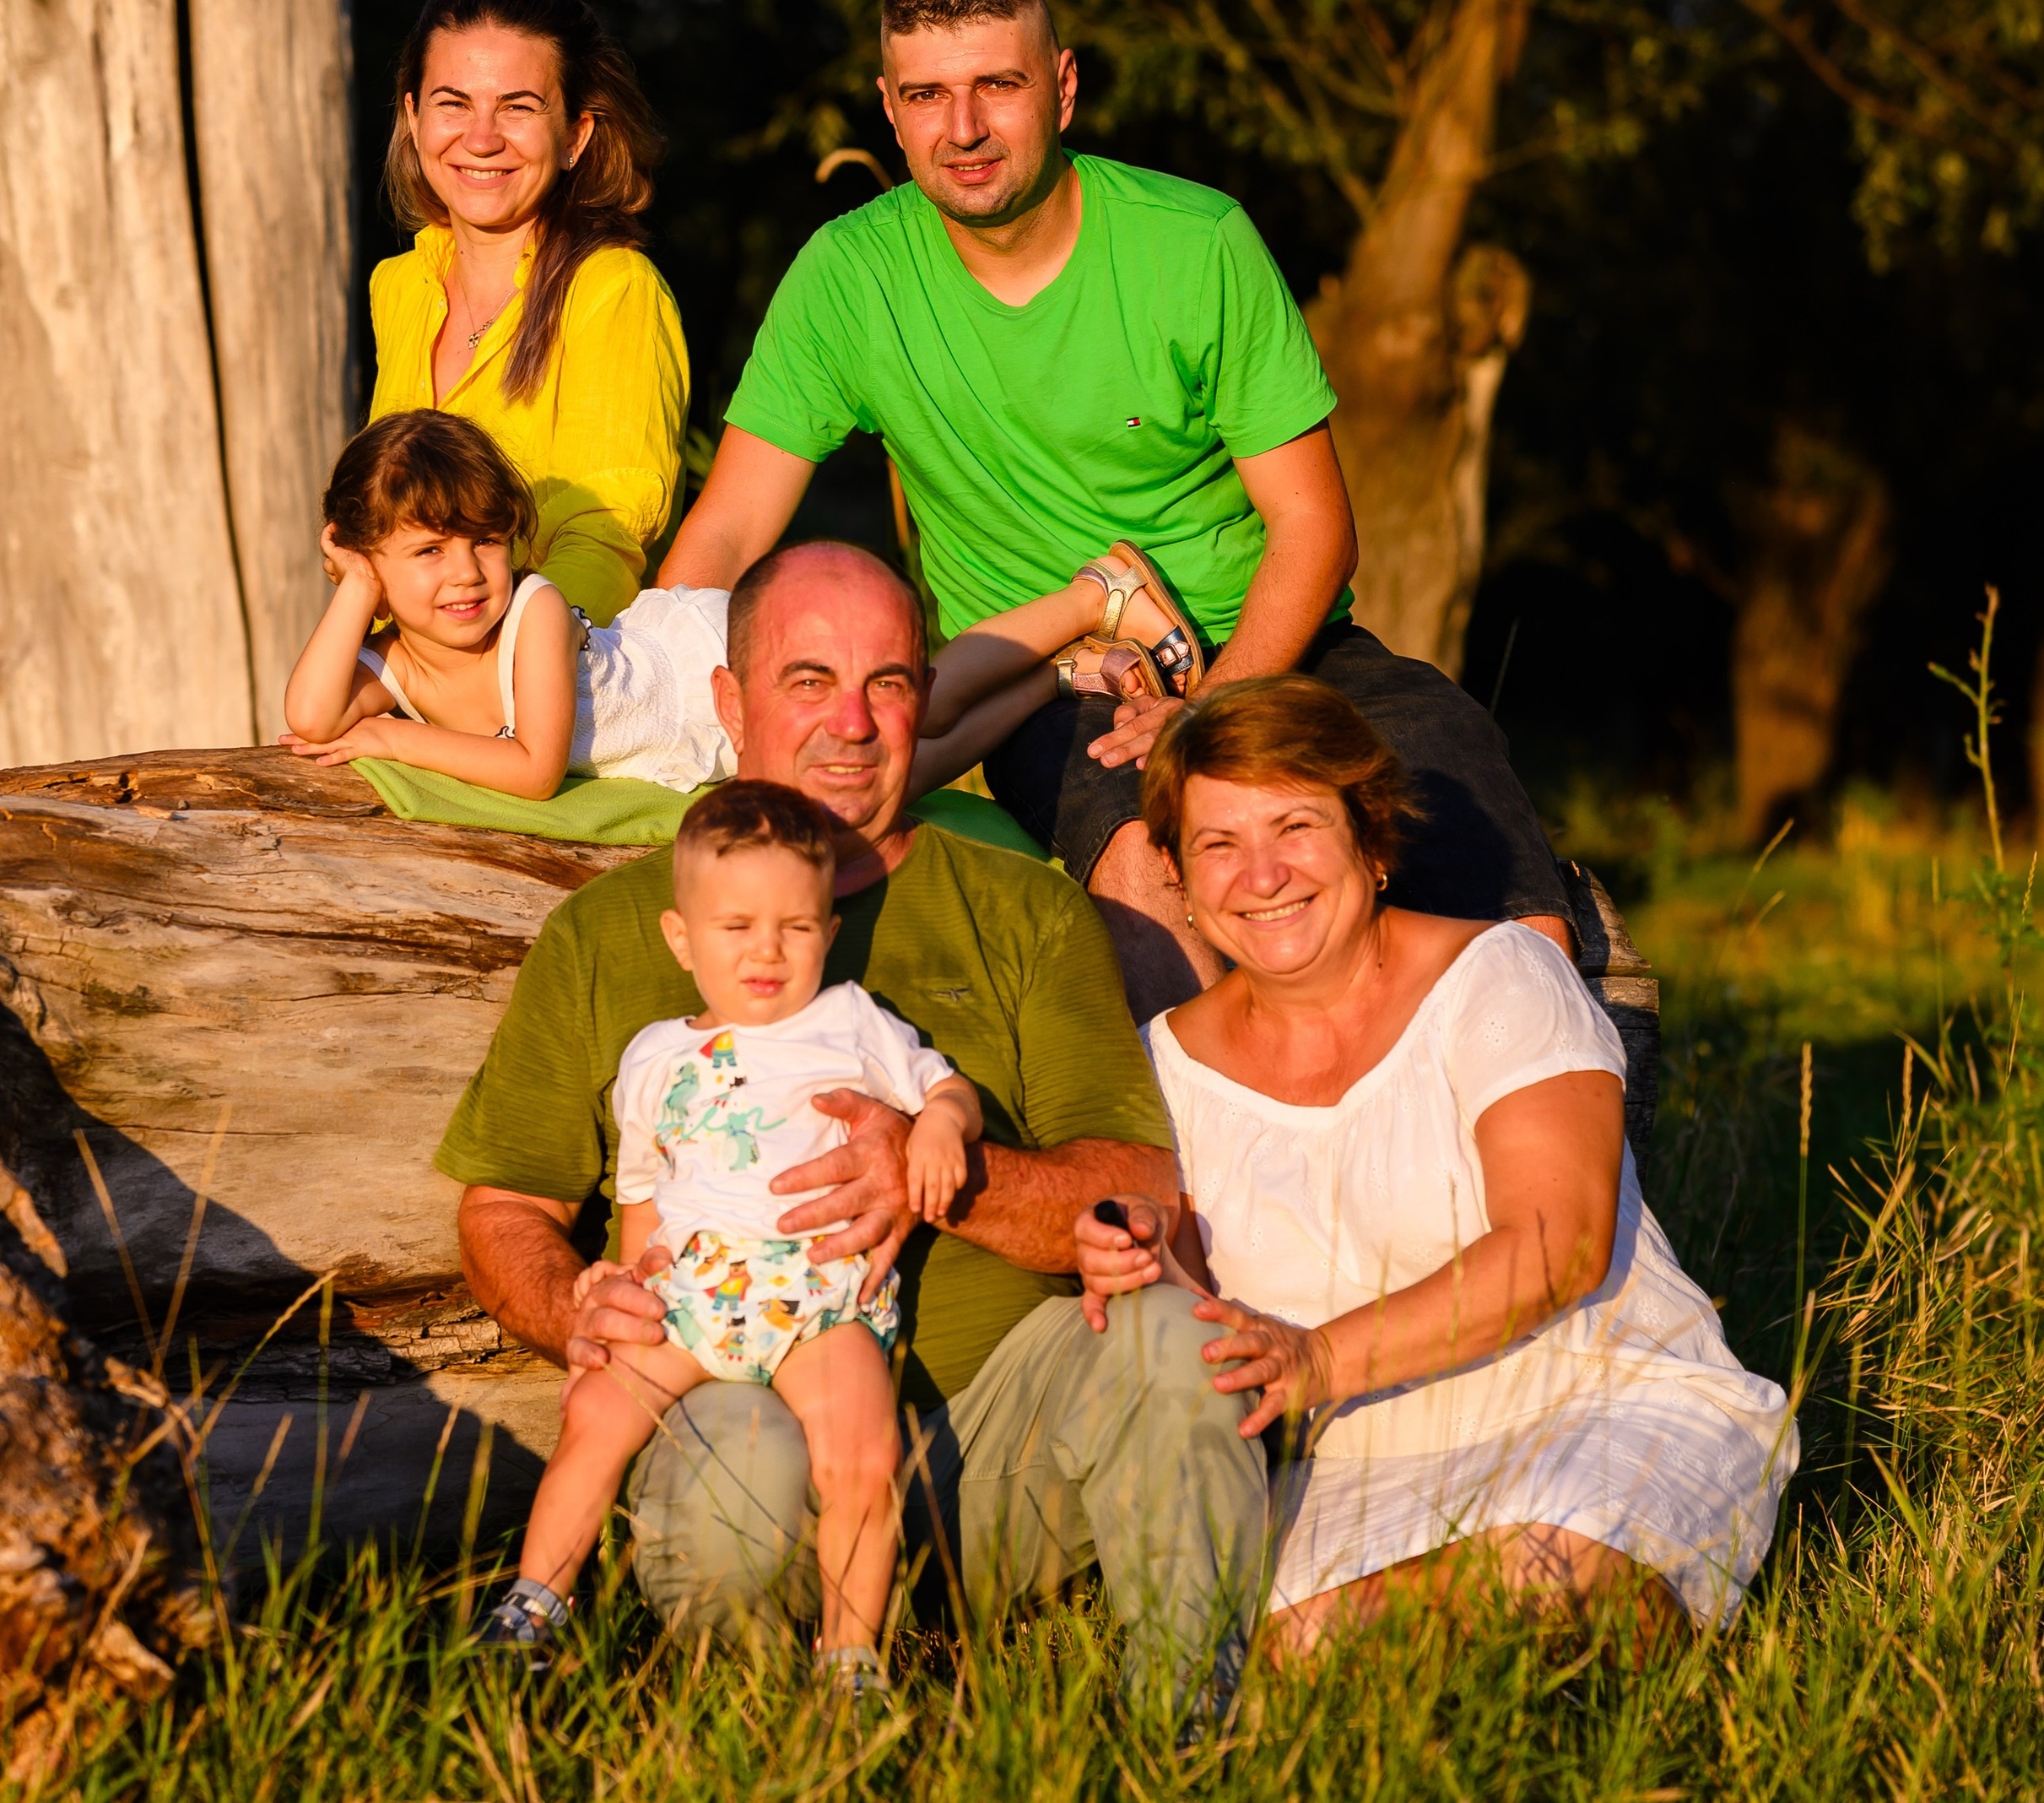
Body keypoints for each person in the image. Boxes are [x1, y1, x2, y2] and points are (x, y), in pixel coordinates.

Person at [659, 0, 1574, 1015]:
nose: (962, 129)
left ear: (1063, 85)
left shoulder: (1196, 243)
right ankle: (1195, 1158)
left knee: (1465, 799)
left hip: (1279, 645)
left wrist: (1217, 704)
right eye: (927, 95)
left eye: (997, 86)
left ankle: (1544, 1123)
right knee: (1148, 854)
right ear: (889, 109)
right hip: (1053, 679)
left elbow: (1315, 529)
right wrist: (656, 704)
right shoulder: (848, 277)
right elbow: (725, 535)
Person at [438, 538, 1265, 1709]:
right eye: (807, 680)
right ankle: (770, 1789)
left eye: (887, 682)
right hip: (746, 1401)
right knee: (742, 1469)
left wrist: (945, 1176)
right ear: (730, 704)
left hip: (1001, 1444)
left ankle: (1191, 1738)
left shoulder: (1022, 911)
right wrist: (566, 1301)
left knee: (1183, 1342)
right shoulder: (618, 930)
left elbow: (1138, 1180)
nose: (854, 723)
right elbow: (506, 1207)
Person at [1073, 678, 1797, 1656]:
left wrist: (1319, 1357)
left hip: (1582, 1400)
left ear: (1372, 842)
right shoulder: (1164, 1062)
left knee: (1556, 1574)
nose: (1262, 874)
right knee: (1272, 1652)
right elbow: (1198, 1312)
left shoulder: (1498, 974)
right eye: (1218, 844)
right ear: (1179, 876)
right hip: (1348, 1467)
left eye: (1295, 827)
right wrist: (1143, 1255)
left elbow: (1560, 1244)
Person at [477, 778, 981, 1697]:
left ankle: (851, 1659)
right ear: (682, 937)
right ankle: (533, 1605)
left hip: (818, 1292)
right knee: (595, 1408)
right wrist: (629, 1281)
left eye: (796, 926)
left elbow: (942, 1085)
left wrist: (943, 1122)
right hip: (697, 1290)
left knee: (861, 1448)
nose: (767, 950)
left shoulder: (852, 1022)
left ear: (828, 933)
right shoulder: (655, 1055)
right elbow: (644, 1190)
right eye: (736, 925)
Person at [283, 409, 1199, 803]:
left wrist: (392, 738)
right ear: (371, 563)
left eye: (484, 538)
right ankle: (1052, 678)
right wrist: (357, 587)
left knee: (912, 702)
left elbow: (530, 768)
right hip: (712, 743)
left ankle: (1097, 592)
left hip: (703, 660)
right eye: (427, 552)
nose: (466, 573)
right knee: (898, 774)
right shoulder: (401, 660)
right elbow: (312, 715)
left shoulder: (533, 611)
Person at [368, 0, 689, 624]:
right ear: (413, 114)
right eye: (453, 103)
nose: (481, 138)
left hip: (553, 701)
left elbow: (602, 543)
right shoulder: (397, 288)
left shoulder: (614, 290)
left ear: (575, 134)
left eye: (517, 107)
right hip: (405, 687)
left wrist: (480, 689)